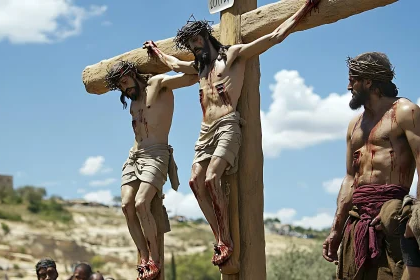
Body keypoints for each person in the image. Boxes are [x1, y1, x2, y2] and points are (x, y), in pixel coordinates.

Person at [142, 0, 321, 266]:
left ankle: (226, 239)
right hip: (205, 131)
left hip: (227, 123)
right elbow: (174, 64)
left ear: (204, 35)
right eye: (190, 45)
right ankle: (219, 236)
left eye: (195, 42)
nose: (194, 48)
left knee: (212, 177)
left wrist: (305, 9)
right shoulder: (199, 67)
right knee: (195, 182)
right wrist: (156, 51)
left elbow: (274, 36)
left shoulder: (232, 54)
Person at [321, 52, 420, 280]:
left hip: (393, 221)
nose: (348, 86)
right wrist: (336, 230)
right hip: (357, 223)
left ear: (368, 81)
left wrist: (416, 219)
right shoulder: (354, 126)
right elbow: (349, 179)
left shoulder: (405, 112)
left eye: (352, 79)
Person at [105, 60, 198, 280]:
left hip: (156, 153)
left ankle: (155, 258)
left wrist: (164, 58)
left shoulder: (157, 84)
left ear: (132, 73)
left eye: (125, 81)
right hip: (134, 156)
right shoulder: (134, 102)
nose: (124, 88)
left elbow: (193, 75)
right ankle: (144, 256)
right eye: (119, 86)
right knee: (127, 206)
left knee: (141, 203)